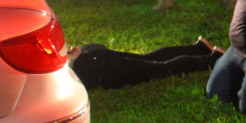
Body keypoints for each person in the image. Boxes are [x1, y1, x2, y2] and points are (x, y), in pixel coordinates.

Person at [68, 37, 223, 89]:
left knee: (161, 69)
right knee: (147, 59)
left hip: (95, 67)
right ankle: (199, 48)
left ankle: (213, 58)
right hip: (90, 55)